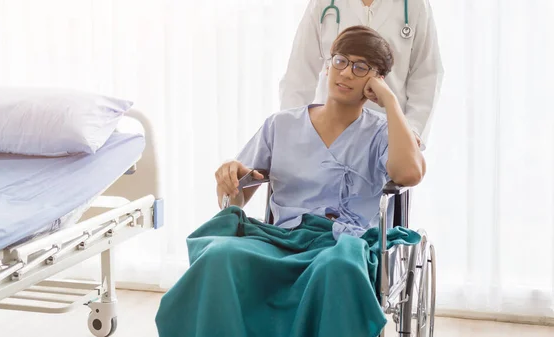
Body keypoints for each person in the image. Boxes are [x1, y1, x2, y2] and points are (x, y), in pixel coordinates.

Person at [155, 26, 424, 337]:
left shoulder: (381, 132)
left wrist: (389, 100)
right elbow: (237, 197)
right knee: (219, 257)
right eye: (340, 61)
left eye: (361, 67)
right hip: (281, 239)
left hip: (342, 244)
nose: (347, 73)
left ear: (375, 80)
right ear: (327, 65)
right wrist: (230, 179)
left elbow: (409, 174)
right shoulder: (281, 125)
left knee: (337, 270)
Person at [279, 0, 443, 148]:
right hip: (327, 133)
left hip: (387, 136)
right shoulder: (322, 3)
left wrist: (411, 130)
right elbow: (299, 73)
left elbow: (427, 75)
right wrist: (294, 130)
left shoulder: (415, 5)